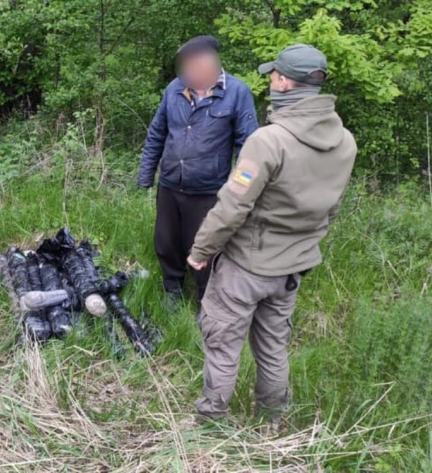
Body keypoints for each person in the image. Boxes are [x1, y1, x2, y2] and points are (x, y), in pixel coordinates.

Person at [187, 44, 356, 425]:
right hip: (292, 269)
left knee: (222, 343)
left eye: (273, 76)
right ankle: (272, 420)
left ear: (283, 82)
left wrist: (201, 251)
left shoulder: (269, 140)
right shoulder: (345, 142)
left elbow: (233, 205)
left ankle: (209, 422)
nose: (270, 82)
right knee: (273, 346)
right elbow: (332, 207)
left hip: (246, 266)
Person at [138, 35, 258, 305]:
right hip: (170, 184)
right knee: (166, 241)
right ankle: (172, 288)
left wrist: (238, 191)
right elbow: (157, 132)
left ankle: (206, 297)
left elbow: (250, 150)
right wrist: (146, 175)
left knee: (204, 244)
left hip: (208, 191)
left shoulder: (237, 93)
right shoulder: (174, 89)